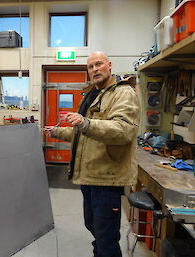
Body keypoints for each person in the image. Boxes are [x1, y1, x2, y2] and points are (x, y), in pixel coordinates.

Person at [44, 51, 140, 257]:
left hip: (107, 178)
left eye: (99, 64)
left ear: (109, 65)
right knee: (94, 228)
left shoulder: (123, 93)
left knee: (106, 237)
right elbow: (83, 133)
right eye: (90, 66)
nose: (95, 69)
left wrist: (86, 123)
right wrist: (56, 131)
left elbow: (123, 130)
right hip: (89, 176)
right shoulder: (91, 95)